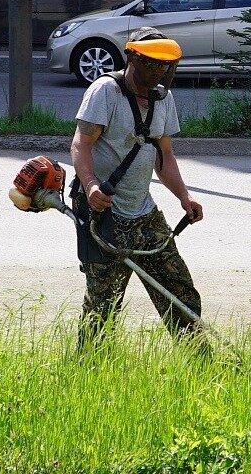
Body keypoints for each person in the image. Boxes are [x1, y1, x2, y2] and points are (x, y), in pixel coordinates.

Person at [70, 26, 205, 348]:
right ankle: (88, 370)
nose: (158, 71)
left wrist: (184, 197)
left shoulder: (164, 98)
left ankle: (202, 366)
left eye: (164, 65)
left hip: (144, 214)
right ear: (131, 56)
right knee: (103, 302)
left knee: (179, 290)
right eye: (151, 64)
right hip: (103, 214)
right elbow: (81, 144)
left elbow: (164, 156)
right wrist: (90, 186)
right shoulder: (105, 90)